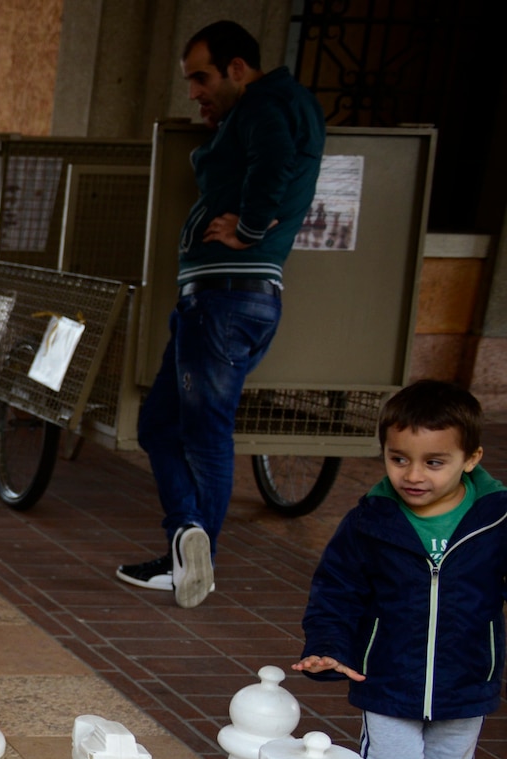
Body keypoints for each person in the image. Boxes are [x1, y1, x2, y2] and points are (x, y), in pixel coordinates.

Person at [117, 19, 325, 608]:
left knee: (205, 429)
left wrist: (251, 227)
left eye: (202, 78)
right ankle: (186, 539)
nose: (194, 91)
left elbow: (275, 161)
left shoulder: (266, 102)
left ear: (239, 67)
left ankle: (194, 549)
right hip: (219, 299)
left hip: (226, 297)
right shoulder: (261, 108)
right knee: (160, 424)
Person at [293, 381, 506, 759]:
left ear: (471, 458)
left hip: (465, 680)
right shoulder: (370, 522)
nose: (414, 476)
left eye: (435, 462)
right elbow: (336, 590)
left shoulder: (497, 521)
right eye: (398, 459)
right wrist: (327, 646)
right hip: (387, 676)